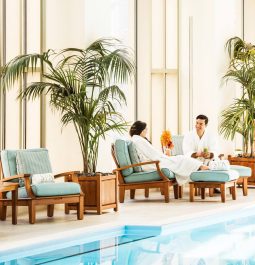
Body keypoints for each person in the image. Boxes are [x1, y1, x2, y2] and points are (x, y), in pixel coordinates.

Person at [129, 121, 209, 186]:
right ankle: (201, 168)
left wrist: (164, 156)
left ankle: (200, 168)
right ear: (141, 130)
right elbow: (152, 154)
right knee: (181, 158)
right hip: (151, 164)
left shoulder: (137, 139)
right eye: (145, 129)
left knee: (180, 158)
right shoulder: (139, 140)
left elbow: (151, 153)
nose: (146, 131)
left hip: (153, 161)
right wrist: (164, 156)